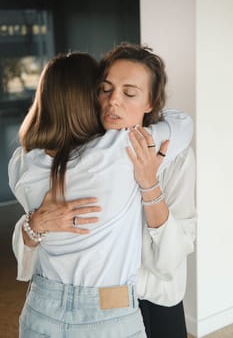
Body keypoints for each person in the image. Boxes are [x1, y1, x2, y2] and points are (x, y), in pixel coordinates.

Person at [10, 43, 196, 338]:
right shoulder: (80, 150)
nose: (113, 102)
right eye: (104, 89)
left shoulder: (175, 156)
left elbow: (174, 252)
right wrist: (35, 223)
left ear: (150, 102)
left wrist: (150, 186)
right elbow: (37, 245)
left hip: (149, 295)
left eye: (130, 93)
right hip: (89, 299)